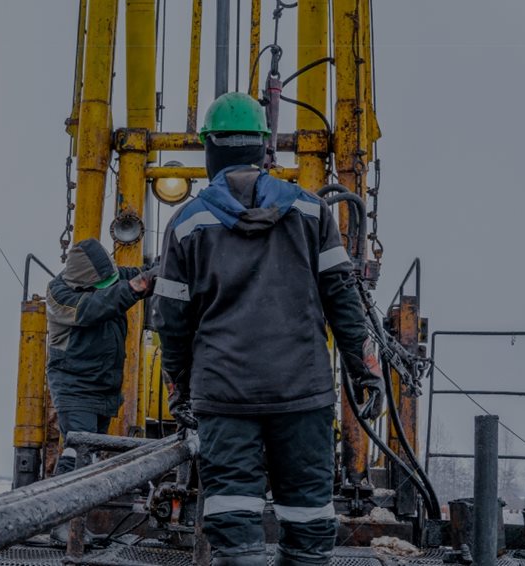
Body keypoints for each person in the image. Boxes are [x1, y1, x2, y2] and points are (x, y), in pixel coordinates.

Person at [151, 92, 385, 566]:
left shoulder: (186, 222)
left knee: (235, 532)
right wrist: (366, 371)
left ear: (210, 147)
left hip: (224, 395)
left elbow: (170, 321)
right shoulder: (313, 213)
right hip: (302, 392)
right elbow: (343, 299)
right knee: (308, 526)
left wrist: (179, 387)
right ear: (265, 147)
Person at [46, 238, 156, 476]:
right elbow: (92, 307)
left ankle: (79, 507)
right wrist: (133, 287)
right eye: (104, 285)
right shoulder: (59, 296)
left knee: (91, 453)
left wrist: (163, 267)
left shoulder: (112, 277)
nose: (110, 286)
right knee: (79, 453)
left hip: (104, 388)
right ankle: (63, 508)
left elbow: (139, 274)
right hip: (75, 389)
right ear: (84, 283)